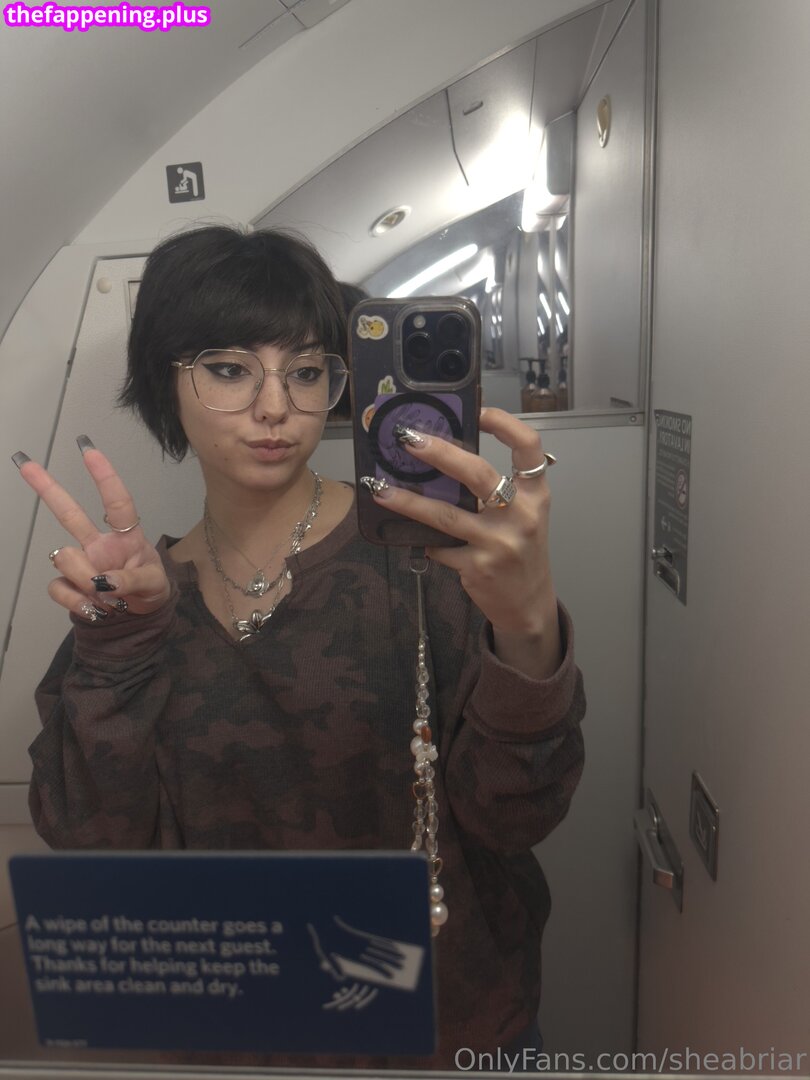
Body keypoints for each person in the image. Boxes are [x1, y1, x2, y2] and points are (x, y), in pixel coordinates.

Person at [12, 225, 585, 1069]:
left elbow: (515, 818)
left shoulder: (427, 560)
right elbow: (92, 849)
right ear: (165, 380)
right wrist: (119, 648)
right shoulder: (137, 602)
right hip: (240, 1042)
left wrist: (529, 628)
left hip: (450, 1033)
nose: (275, 407)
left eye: (307, 371)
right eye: (230, 369)